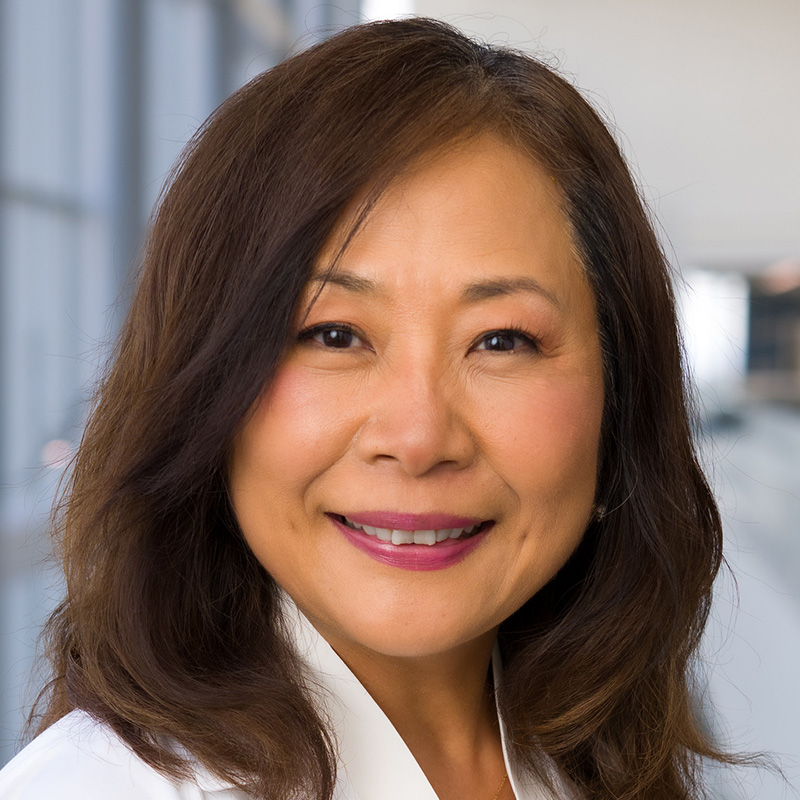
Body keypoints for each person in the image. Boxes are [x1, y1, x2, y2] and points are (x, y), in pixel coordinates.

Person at [0, 17, 733, 800]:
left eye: (502, 341)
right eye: (334, 333)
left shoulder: (598, 762)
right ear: (205, 386)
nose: (418, 438)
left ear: (621, 393)